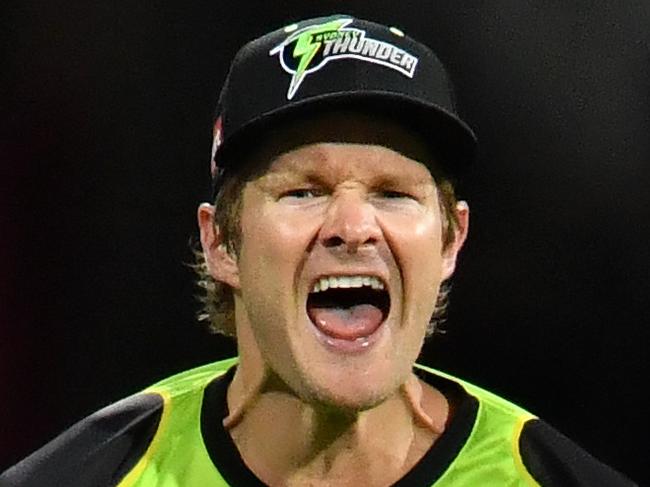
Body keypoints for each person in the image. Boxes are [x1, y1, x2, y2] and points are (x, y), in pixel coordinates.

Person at [0, 14, 636, 487]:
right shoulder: (94, 475)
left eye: (393, 193)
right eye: (304, 191)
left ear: (451, 242)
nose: (353, 226)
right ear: (221, 241)